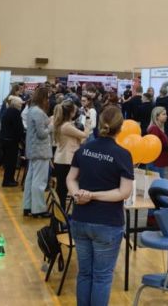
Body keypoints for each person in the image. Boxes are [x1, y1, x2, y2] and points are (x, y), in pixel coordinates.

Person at [66, 106, 134, 306]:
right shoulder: (123, 154)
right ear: (120, 128)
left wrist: (80, 194)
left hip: (80, 219)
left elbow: (70, 179)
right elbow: (124, 192)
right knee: (102, 277)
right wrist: (89, 195)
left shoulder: (84, 149)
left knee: (85, 273)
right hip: (107, 223)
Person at [53, 100, 89, 207]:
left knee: (62, 189)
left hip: (63, 159)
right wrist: (87, 121)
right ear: (71, 113)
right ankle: (61, 213)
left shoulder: (65, 125)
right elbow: (85, 135)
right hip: (66, 160)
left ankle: (62, 212)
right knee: (63, 189)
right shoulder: (66, 126)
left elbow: (80, 140)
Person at [23, 87, 52, 218]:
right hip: (40, 151)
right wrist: (51, 126)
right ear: (43, 98)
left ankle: (28, 206)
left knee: (30, 179)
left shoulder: (31, 110)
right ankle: (38, 209)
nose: (48, 100)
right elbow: (42, 134)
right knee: (39, 181)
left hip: (33, 150)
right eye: (47, 97)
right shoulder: (39, 112)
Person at [0, 96, 25, 187]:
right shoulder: (15, 112)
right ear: (17, 104)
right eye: (20, 104)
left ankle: (9, 179)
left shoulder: (8, 111)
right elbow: (19, 128)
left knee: (8, 162)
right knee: (11, 162)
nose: (21, 106)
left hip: (4, 139)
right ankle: (8, 181)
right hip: (11, 141)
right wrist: (22, 138)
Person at [146, 106, 168, 178]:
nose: (166, 116)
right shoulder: (154, 129)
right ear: (157, 116)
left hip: (158, 162)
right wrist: (167, 146)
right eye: (163, 114)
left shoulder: (158, 128)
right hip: (156, 163)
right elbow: (154, 146)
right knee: (157, 182)